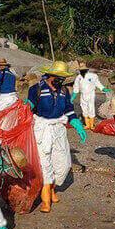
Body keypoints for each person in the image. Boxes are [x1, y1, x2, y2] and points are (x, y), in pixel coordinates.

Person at [26, 61, 87, 213]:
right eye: (58, 76)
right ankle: (46, 200)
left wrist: (76, 123)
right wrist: (25, 108)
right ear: (50, 74)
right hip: (42, 129)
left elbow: (69, 109)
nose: (61, 80)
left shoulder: (64, 91)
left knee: (63, 164)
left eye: (63, 77)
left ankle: (52, 187)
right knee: (45, 164)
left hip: (59, 129)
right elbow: (29, 107)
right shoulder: (36, 89)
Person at [71, 63, 112, 130]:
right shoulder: (78, 77)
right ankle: (87, 125)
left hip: (91, 94)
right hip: (83, 95)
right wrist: (73, 97)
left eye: (84, 70)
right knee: (84, 108)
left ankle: (92, 125)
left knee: (91, 108)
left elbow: (98, 83)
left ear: (86, 70)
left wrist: (103, 88)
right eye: (81, 70)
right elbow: (76, 88)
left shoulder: (93, 76)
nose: (82, 71)